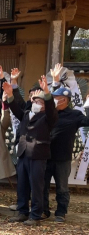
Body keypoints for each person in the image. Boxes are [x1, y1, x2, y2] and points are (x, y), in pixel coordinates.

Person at [4, 74, 57, 226]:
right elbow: (15, 108)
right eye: (34, 100)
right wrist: (10, 95)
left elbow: (52, 109)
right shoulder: (27, 114)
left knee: (37, 187)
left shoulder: (49, 117)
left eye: (40, 101)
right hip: (23, 153)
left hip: (38, 155)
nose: (36, 103)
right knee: (22, 185)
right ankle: (22, 212)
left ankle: (35, 215)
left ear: (45, 105)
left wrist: (47, 93)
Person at [43, 64, 89, 223]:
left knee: (62, 187)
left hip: (63, 158)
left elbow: (87, 121)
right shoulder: (49, 113)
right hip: (45, 155)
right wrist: (54, 81)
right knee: (43, 186)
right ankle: (44, 211)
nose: (54, 101)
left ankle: (60, 213)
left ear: (64, 100)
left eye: (56, 98)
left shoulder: (75, 115)